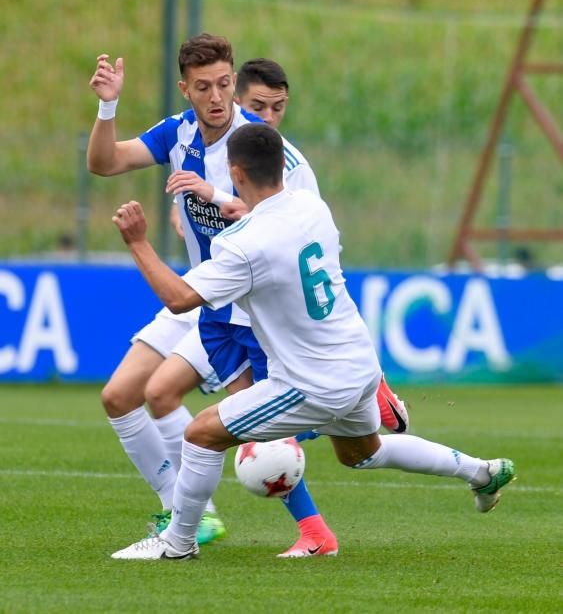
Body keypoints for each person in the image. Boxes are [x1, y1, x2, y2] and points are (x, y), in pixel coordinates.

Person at [109, 122, 516, 561]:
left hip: (310, 382)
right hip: (360, 366)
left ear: (237, 173)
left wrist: (138, 242)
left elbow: (179, 299)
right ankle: (482, 472)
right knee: (362, 454)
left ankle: (178, 543)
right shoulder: (310, 206)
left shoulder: (245, 245)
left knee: (201, 433)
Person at [88, 36, 340, 556]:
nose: (218, 97)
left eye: (225, 84)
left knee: (263, 425)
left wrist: (219, 198)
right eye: (204, 87)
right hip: (200, 295)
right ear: (187, 90)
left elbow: (302, 224)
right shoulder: (177, 133)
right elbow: (105, 162)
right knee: (122, 396)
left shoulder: (263, 149)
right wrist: (108, 105)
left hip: (247, 305)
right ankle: (192, 515)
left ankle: (314, 517)